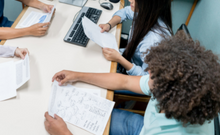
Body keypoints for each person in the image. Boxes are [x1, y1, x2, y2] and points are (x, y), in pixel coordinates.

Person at [45, 31, 220, 135]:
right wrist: (77, 75)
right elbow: (126, 81)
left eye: (153, 74)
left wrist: (65, 134)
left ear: (169, 93)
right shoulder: (177, 88)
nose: (148, 71)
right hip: (144, 128)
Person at [99, 0, 173, 76]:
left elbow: (146, 80)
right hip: (127, 57)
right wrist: (109, 24)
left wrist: (119, 59)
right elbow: (125, 11)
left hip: (134, 76)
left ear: (148, 4)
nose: (130, 0)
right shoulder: (147, 13)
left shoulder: (153, 41)